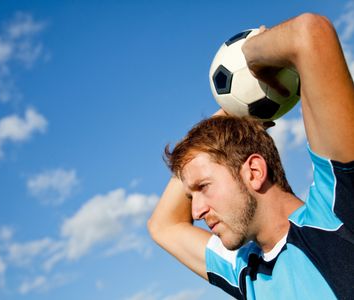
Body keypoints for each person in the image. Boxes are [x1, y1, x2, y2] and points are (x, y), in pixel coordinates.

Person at [148, 13, 354, 300]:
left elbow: (309, 33)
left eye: (203, 187)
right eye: (191, 195)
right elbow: (163, 226)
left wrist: (250, 54)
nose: (195, 212)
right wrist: (230, 112)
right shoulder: (245, 271)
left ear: (254, 171)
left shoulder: (336, 211)